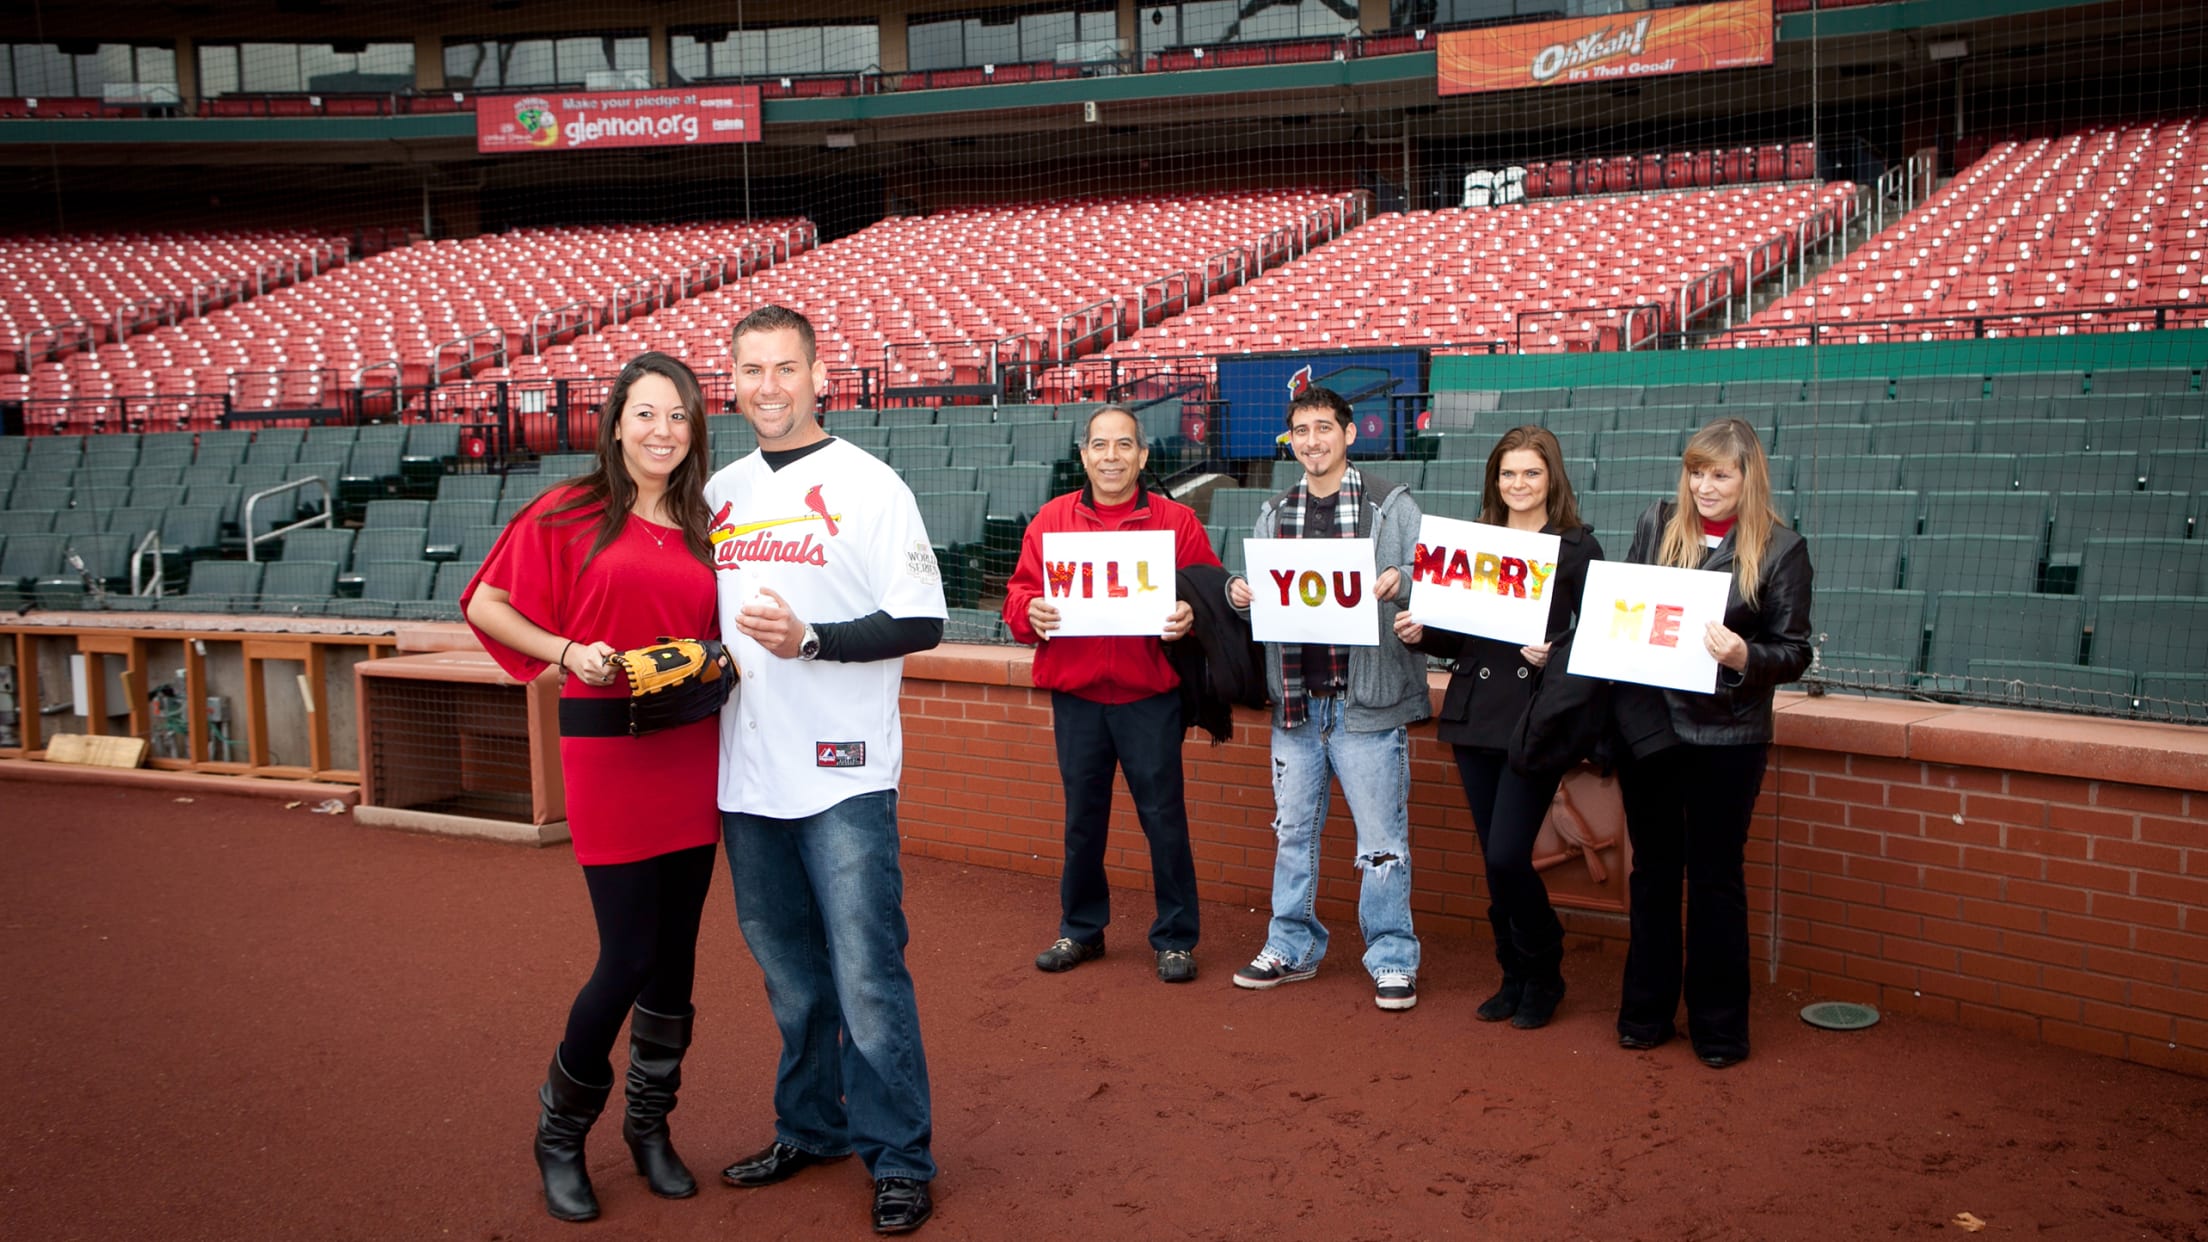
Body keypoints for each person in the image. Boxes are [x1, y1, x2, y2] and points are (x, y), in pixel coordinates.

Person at [462, 352, 721, 1222]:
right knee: (628, 955)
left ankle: (649, 1128)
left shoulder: (704, 522)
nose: (662, 431)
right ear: (614, 425)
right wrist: (568, 651)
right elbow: (486, 604)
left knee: (676, 957)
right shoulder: (569, 509)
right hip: (608, 749)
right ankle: (560, 1133)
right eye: (645, 414)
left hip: (690, 743)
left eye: (678, 415)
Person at [706, 305, 946, 1236]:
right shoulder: (718, 492)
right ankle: (811, 1127)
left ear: (817, 377)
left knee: (867, 975)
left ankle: (900, 1157)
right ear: (733, 381)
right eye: (751, 369)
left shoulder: (870, 484)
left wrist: (812, 639)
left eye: (785, 368)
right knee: (790, 976)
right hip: (746, 772)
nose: (768, 386)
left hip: (843, 772)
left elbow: (921, 619)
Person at [1614, 416, 1813, 1069]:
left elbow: (1794, 651)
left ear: (1747, 478)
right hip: (1652, 730)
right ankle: (1645, 1015)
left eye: (1719, 474)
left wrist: (1743, 656)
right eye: (1696, 471)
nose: (1704, 486)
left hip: (1729, 737)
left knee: (1715, 879)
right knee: (1652, 873)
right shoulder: (1657, 524)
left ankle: (1720, 1029)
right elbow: (1627, 611)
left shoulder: (1782, 549)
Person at [1225, 385, 1430, 1011]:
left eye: (1323, 428)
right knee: (1292, 833)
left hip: (1365, 703)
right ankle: (1291, 944)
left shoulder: (1390, 506)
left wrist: (1402, 581)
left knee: (1382, 841)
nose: (1312, 441)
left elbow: (1433, 578)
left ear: (1348, 433)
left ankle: (1393, 956)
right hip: (1296, 703)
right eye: (1301, 431)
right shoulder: (1273, 513)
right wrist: (1240, 593)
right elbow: (1261, 595)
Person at [1002, 404, 1220, 984]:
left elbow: (1209, 593)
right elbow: (1017, 597)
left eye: (1124, 445)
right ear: (1084, 456)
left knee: (1164, 821)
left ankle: (1176, 938)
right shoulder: (1051, 520)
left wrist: (1189, 615)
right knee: (1083, 822)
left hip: (1150, 696)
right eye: (1099, 445)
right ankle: (1081, 930)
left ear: (1143, 456)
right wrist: (1031, 611)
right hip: (1077, 697)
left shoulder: (1176, 522)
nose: (1111, 457)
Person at [1392, 426, 1601, 1030]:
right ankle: (1514, 974)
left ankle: (1545, 969)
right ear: (1495, 480)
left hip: (1535, 717)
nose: (1519, 484)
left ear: (1551, 478)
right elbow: (1459, 634)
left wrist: (1555, 651)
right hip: (1475, 710)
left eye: (1531, 473)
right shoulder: (1475, 540)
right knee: (1493, 858)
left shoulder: (1578, 547)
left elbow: (1598, 631)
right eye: (1508, 473)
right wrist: (1422, 633)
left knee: (1509, 855)